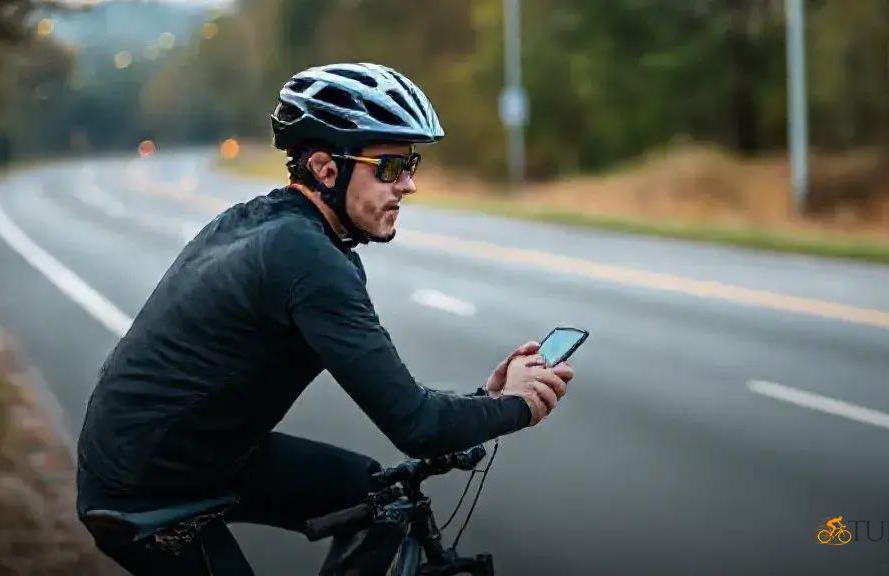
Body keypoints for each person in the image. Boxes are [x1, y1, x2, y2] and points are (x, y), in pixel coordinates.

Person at [75, 62, 575, 575]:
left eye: (411, 164)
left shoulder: (267, 224)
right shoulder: (306, 260)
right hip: (143, 490)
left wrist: (485, 402)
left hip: (201, 453)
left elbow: (397, 394)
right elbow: (418, 426)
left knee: (380, 500)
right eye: (387, 167)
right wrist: (518, 407)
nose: (407, 185)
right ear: (324, 167)